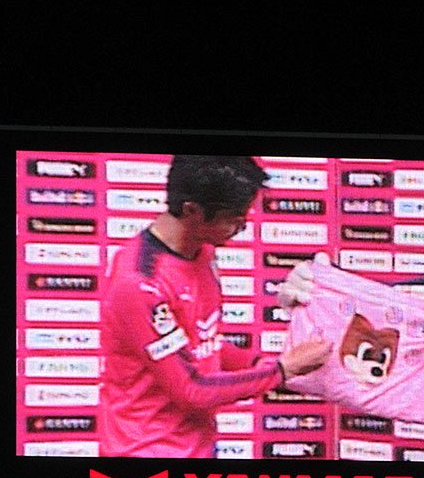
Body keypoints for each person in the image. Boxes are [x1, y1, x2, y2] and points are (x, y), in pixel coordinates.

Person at [99, 155, 331, 458]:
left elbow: (205, 347)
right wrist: (281, 371)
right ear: (192, 210)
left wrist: (265, 363)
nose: (241, 228)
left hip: (199, 446)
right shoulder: (140, 283)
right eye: (234, 219)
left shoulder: (205, 253)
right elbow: (192, 389)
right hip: (144, 451)